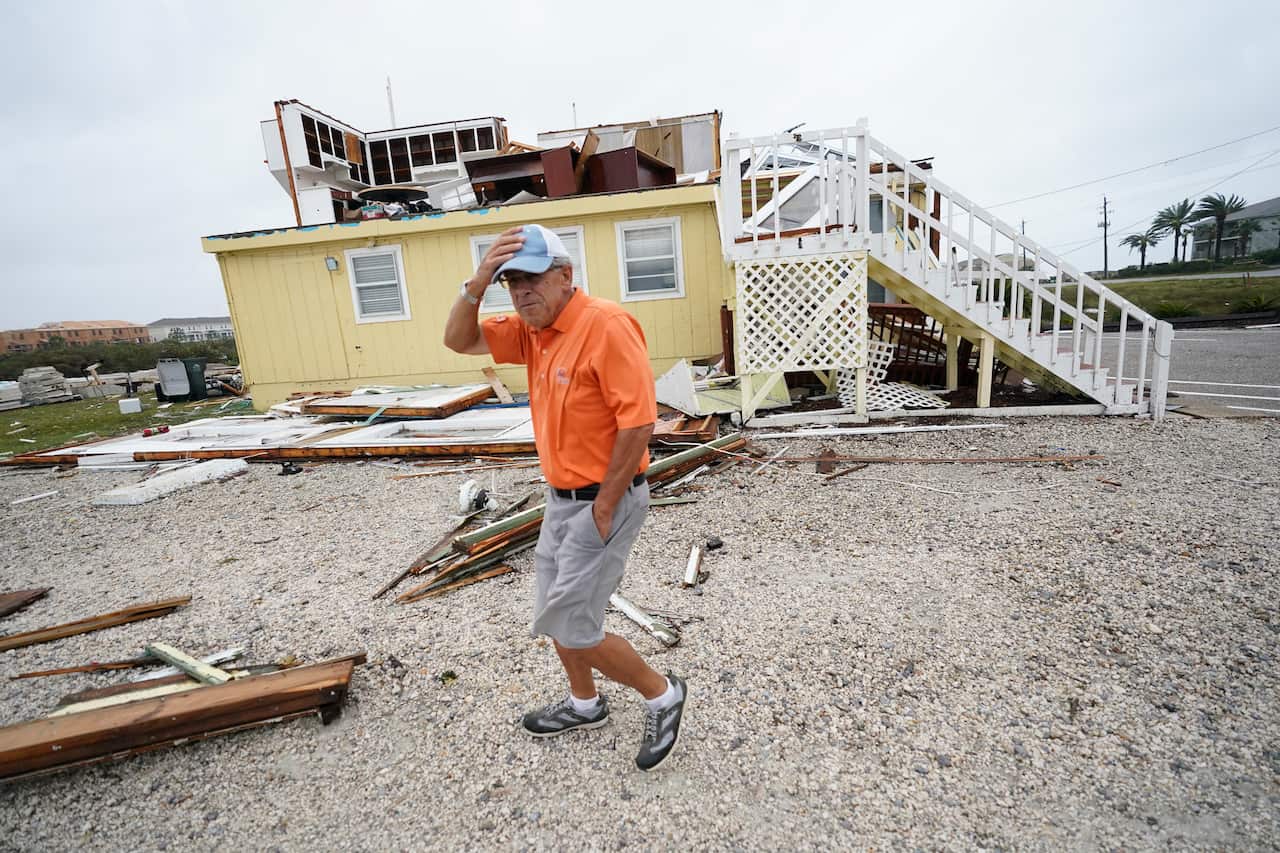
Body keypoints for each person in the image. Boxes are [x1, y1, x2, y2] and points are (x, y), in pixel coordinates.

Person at [443, 223, 687, 772]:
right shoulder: (534, 328)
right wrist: (476, 282)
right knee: (555, 612)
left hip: (604, 501)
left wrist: (604, 504)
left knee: (576, 623)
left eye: (532, 279)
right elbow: (459, 339)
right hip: (560, 499)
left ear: (565, 276)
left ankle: (662, 694)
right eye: (511, 282)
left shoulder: (605, 325)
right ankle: (585, 703)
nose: (522, 292)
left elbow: (638, 422)